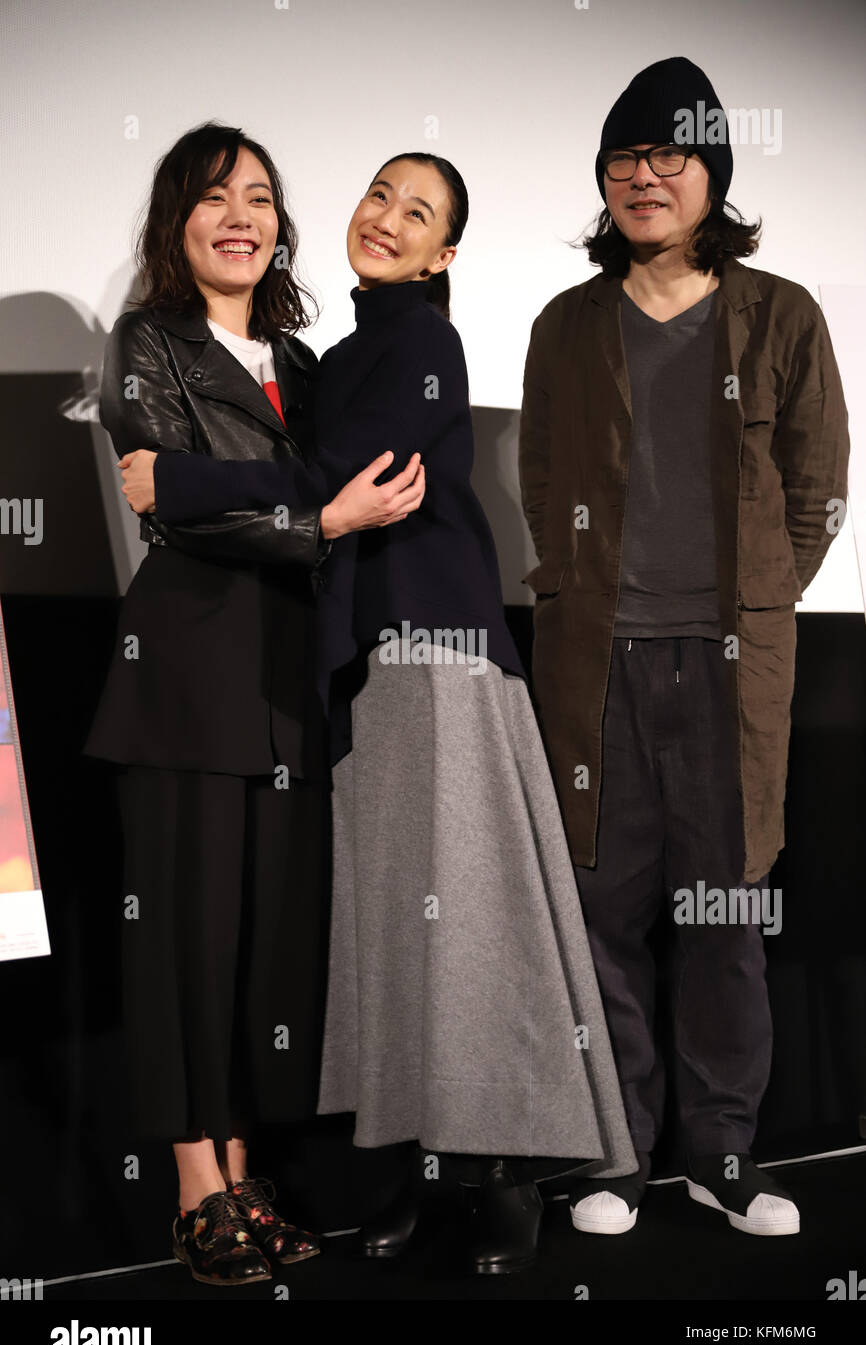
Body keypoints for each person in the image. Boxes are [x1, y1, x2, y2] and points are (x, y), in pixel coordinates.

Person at [166, 152, 638, 1274]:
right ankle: (432, 1173)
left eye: (416, 212)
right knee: (403, 932)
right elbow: (323, 495)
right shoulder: (339, 353)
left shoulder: (420, 341)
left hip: (439, 655)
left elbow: (337, 475)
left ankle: (508, 1179)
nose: (385, 219)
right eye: (378, 195)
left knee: (477, 928)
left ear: (445, 253)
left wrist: (174, 482)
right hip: (371, 668)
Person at [84, 122, 425, 1287]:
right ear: (179, 219)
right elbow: (181, 514)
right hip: (183, 677)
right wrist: (314, 517)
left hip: (290, 685)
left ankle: (243, 1166)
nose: (243, 214)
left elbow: (252, 482)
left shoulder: (307, 361)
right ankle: (194, 1183)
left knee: (258, 952)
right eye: (218, 195)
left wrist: (208, 479)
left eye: (262, 197)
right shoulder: (149, 344)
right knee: (185, 939)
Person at [518, 57, 849, 1238]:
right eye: (623, 159)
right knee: (600, 915)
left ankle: (721, 1155)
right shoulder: (565, 324)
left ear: (712, 176)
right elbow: (541, 482)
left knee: (723, 915)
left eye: (669, 157)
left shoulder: (780, 314)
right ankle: (613, 1161)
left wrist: (754, 603)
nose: (643, 178)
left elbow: (814, 493)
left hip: (726, 670)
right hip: (592, 668)